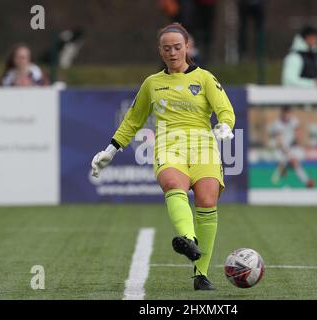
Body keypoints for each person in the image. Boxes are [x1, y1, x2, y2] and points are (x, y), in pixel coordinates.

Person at [91, 23, 235, 291]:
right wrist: (110, 150)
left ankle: (200, 274)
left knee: (206, 200)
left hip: (203, 147)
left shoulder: (204, 78)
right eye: (167, 48)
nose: (172, 52)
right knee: (172, 184)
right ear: (160, 51)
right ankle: (188, 239)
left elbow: (225, 109)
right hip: (169, 145)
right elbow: (132, 120)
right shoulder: (152, 83)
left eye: (177, 47)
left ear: (187, 47)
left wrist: (225, 125)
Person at [270, 106, 315, 188]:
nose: (287, 115)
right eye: (285, 113)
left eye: (288, 113)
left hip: (293, 148)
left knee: (295, 162)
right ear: (282, 113)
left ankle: (284, 167)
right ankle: (306, 181)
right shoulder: (277, 124)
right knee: (294, 162)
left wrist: (297, 139)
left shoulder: (294, 120)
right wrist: (287, 152)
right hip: (282, 150)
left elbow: (298, 134)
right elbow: (279, 141)